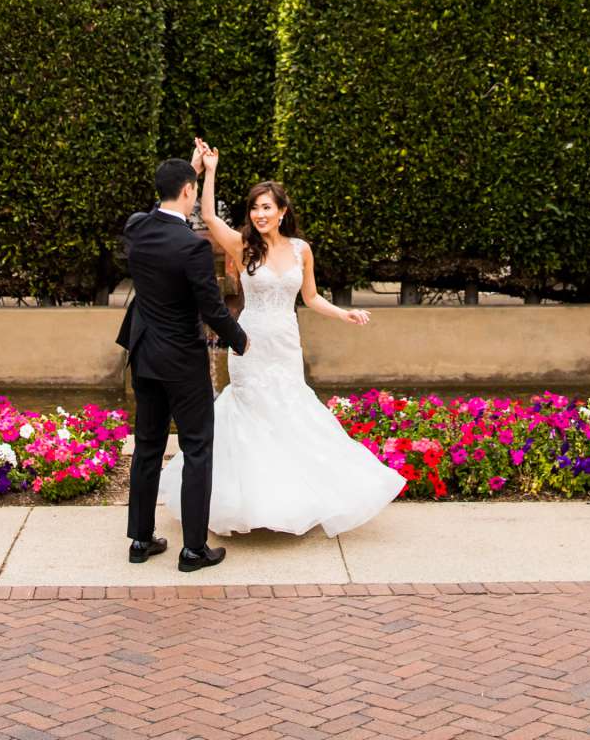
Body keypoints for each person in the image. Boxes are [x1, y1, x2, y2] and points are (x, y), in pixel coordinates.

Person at [165, 143, 405, 537]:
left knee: (291, 415)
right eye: (254, 208)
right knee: (252, 417)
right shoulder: (243, 247)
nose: (259, 215)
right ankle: (248, 505)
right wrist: (209, 170)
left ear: (282, 212)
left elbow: (309, 298)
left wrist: (343, 313)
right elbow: (206, 215)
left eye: (266, 208)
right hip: (251, 345)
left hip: (285, 345)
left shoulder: (301, 250)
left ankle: (296, 502)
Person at [117, 156, 248, 571]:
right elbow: (212, 308)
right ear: (190, 191)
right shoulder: (191, 246)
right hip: (181, 360)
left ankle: (139, 540)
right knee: (196, 448)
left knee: (148, 447)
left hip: (144, 354)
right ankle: (193, 549)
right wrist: (241, 341)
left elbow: (157, 206)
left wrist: (188, 170)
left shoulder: (136, 227)